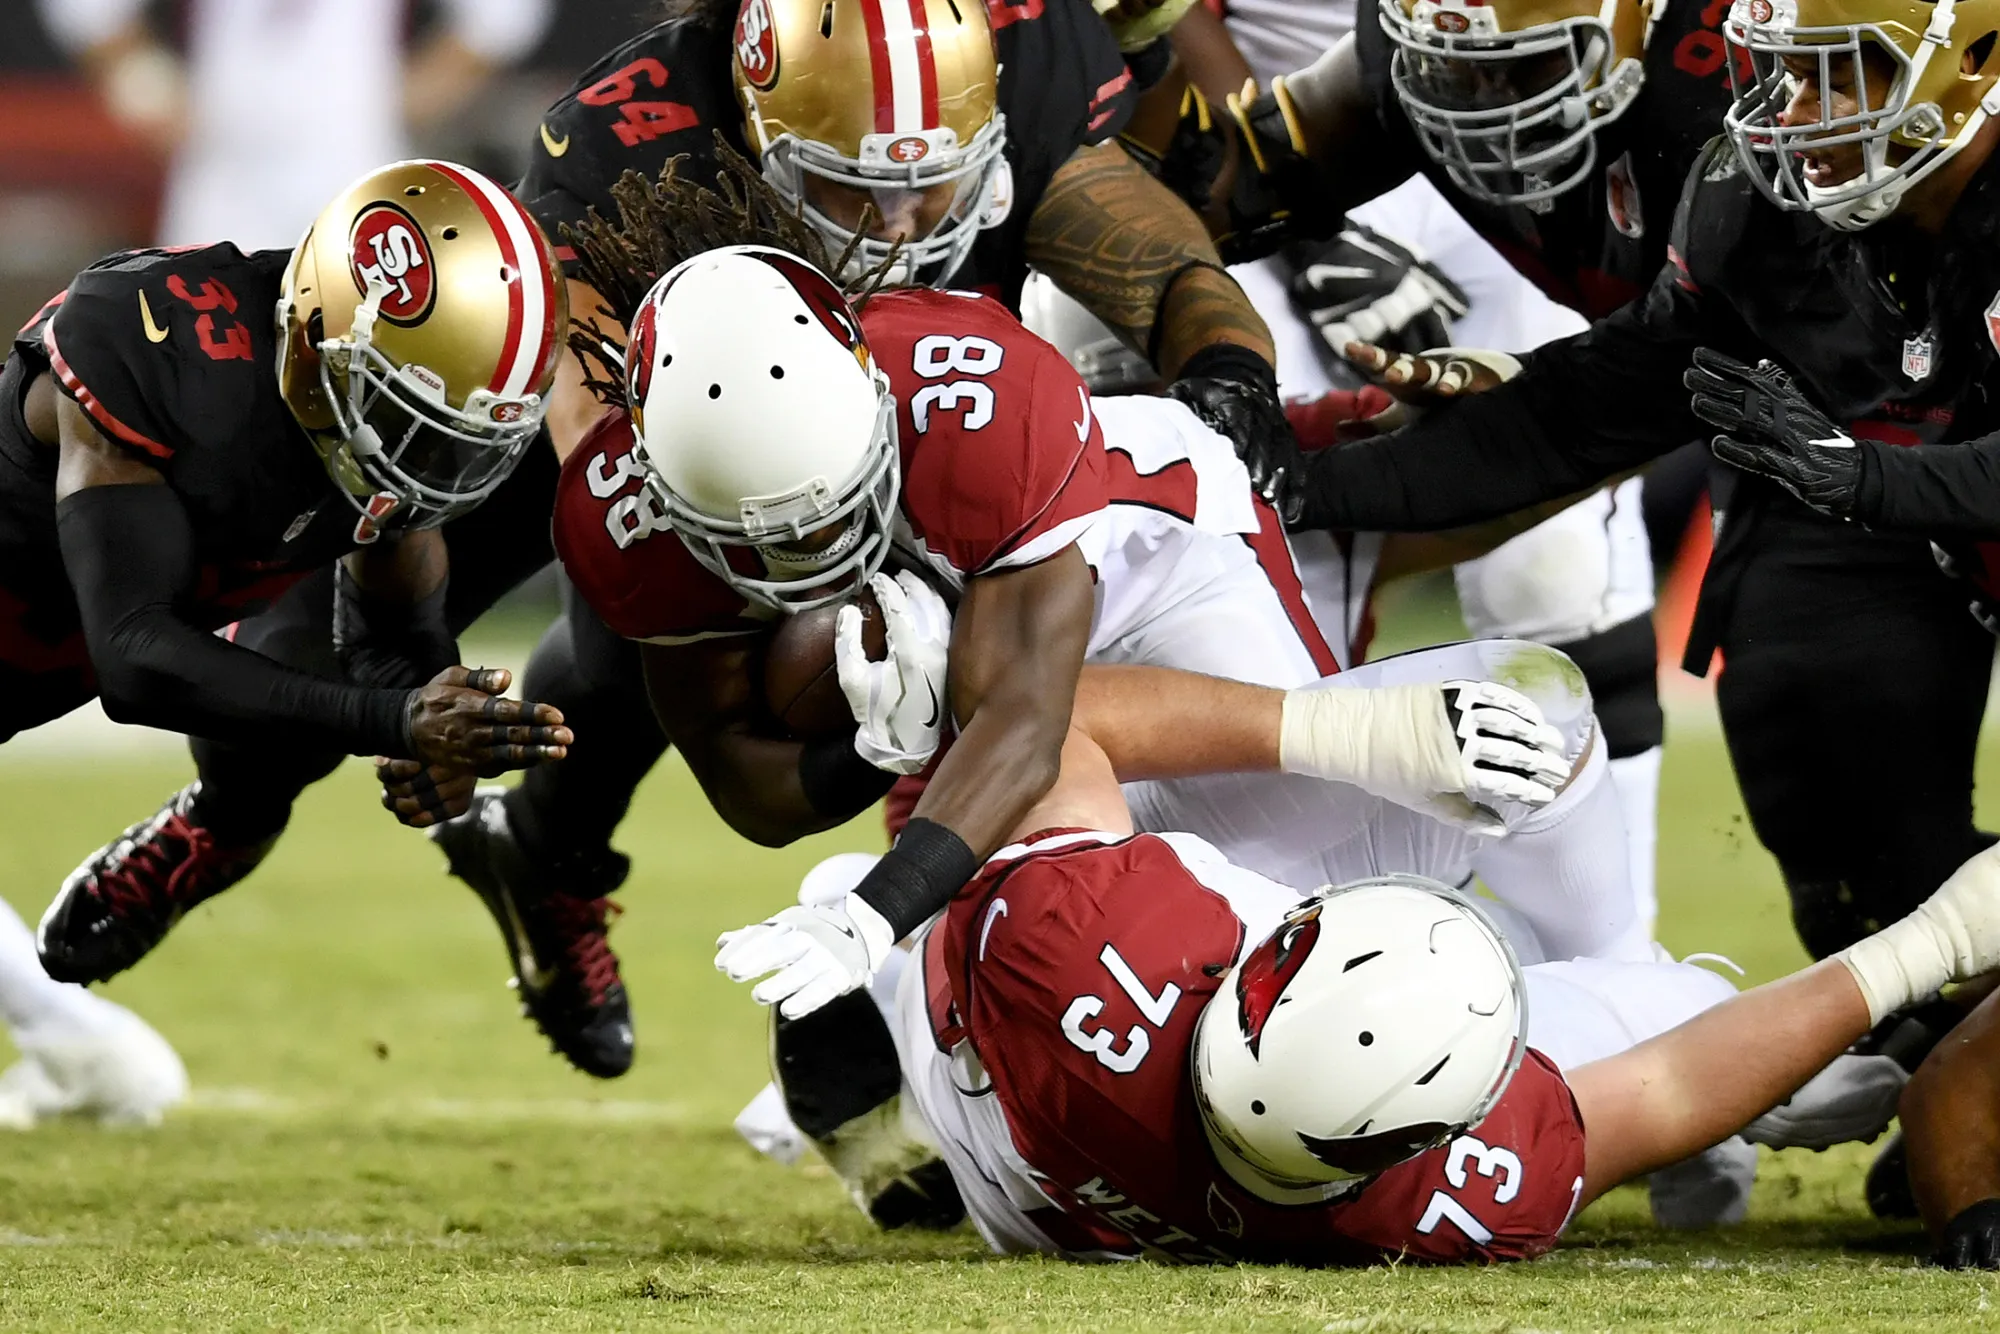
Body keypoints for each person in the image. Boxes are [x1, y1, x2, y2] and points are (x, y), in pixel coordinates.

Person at [58, 0, 1300, 1082]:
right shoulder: (624, 139)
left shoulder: (1019, 46)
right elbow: (612, 470)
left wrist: (1229, 368)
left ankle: (552, 859)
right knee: (338, 640)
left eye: (932, 176)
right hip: (640, 412)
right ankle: (225, 814)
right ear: (756, 121)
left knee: (765, 663)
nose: (901, 217)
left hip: (867, 396)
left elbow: (1128, 231)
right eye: (850, 183)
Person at [889, 696, 1999, 1265]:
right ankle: (1637, 966)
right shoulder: (1451, 1193)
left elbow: (1034, 714)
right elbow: (1656, 1091)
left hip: (1030, 1163)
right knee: (1545, 728)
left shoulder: (1075, 940)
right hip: (1059, 1149)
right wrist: (1934, 938)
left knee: (903, 919)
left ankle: (876, 987)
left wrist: (1336, 727)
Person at [1143, 0, 1673, 932]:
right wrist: (1311, 225)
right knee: (1229, 531)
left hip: (1531, 96)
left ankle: (1614, 946)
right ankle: (1238, 922)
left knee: (1564, 565)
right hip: (1275, 135)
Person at [21, 159, 575, 991]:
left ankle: (215, 832)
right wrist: (396, 720)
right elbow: (133, 653)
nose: (429, 464)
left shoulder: (369, 397)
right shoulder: (152, 337)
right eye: (405, 414)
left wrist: (446, 721)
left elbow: (393, 632)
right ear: (322, 334)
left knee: (303, 657)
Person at [39, 0, 554, 249]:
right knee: (197, 360)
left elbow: (503, 15)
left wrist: (394, 100)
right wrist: (145, 86)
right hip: (221, 167)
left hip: (353, 164)